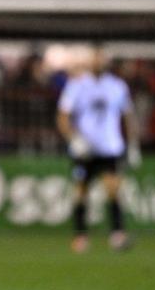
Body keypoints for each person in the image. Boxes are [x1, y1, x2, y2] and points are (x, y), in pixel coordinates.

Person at [57, 46, 141, 253]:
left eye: (100, 60)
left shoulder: (117, 86)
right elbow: (63, 117)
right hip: (85, 149)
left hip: (110, 147)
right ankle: (80, 236)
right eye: (95, 59)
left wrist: (132, 145)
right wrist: (74, 139)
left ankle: (117, 235)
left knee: (113, 190)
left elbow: (128, 117)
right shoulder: (77, 85)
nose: (97, 63)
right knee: (80, 192)